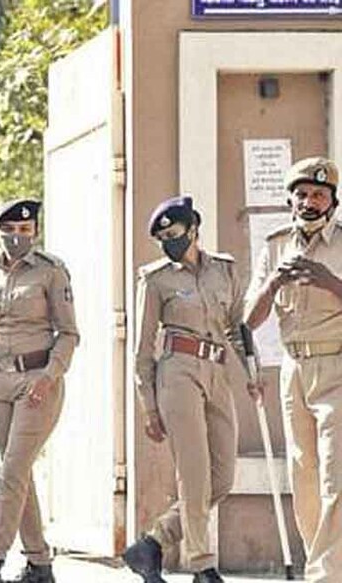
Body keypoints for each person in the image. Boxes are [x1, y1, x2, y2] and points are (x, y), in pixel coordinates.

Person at [124, 196, 255, 583]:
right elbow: (141, 349)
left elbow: (237, 329)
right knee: (194, 475)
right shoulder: (155, 279)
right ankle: (202, 564)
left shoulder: (225, 271)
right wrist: (149, 406)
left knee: (222, 478)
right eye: (162, 237)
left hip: (217, 373)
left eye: (174, 233)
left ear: (194, 229)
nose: (169, 241)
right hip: (177, 373)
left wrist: (252, 376)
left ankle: (152, 542)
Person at [0, 199, 79, 583]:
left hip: (36, 383)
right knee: (19, 474)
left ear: (35, 233)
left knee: (12, 472)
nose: (17, 236)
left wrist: (50, 374)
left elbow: (69, 333)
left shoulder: (51, 272)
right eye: (10, 230)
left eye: (25, 230)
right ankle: (40, 564)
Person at [245, 157, 342, 582]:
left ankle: (325, 575)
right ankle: (320, 564)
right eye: (301, 194)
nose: (309, 201)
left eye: (319, 194)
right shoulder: (275, 243)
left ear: (333, 203)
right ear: (290, 199)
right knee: (302, 478)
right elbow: (248, 319)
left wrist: (329, 281)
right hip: (293, 369)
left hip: (336, 363)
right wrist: (273, 284)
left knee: (334, 476)